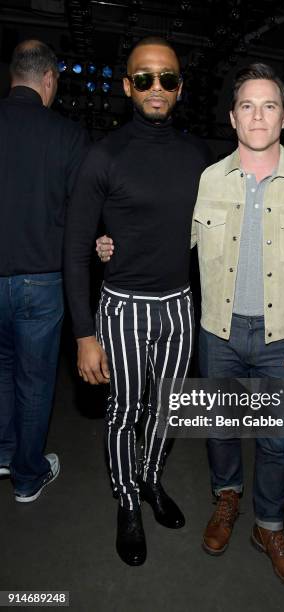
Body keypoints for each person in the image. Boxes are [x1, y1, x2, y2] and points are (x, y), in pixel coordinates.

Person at [85, 39, 284, 567]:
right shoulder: (120, 156)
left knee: (171, 412)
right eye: (144, 79)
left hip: (194, 311)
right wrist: (105, 245)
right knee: (130, 412)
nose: (155, 88)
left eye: (165, 79)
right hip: (154, 311)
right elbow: (108, 234)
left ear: (180, 88)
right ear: (127, 86)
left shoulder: (205, 162)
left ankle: (154, 482)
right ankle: (129, 502)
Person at [191, 63, 284, 591]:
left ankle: (269, 528)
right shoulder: (209, 179)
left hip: (283, 337)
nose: (258, 114)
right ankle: (226, 498)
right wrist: (108, 244)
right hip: (219, 333)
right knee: (222, 428)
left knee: (278, 442)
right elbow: (165, 239)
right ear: (232, 117)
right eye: (247, 105)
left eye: (269, 105)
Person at [0, 40, 88, 501]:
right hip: (40, 281)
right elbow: (82, 216)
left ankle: (4, 449)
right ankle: (28, 477)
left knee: (0, 369)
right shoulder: (68, 136)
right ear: (50, 79)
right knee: (35, 381)